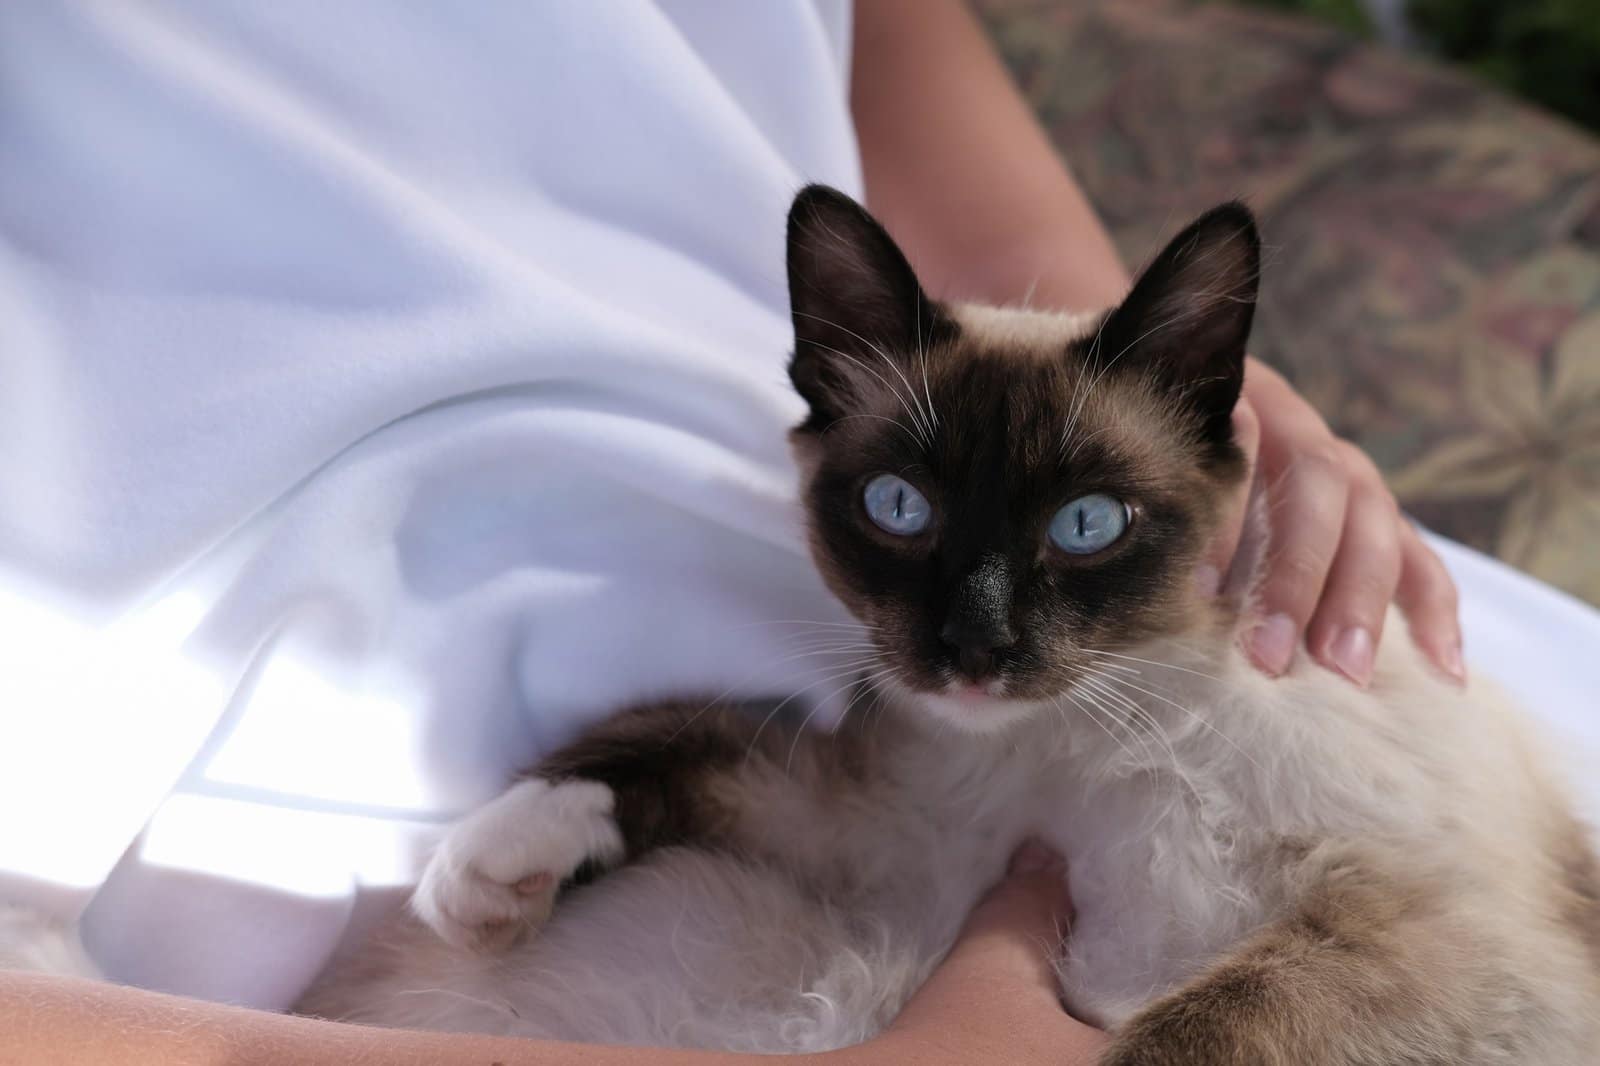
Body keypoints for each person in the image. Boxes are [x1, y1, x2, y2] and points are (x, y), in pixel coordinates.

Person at [4, 1, 1595, 1062]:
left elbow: (872, 35)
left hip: (990, 725)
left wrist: (1141, 370)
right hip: (375, 884)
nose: (976, 630)